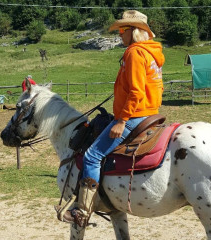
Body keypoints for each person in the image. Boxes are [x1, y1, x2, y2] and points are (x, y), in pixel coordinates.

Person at [61, 10, 165, 227]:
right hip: (150, 112)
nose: (119, 34)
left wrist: (122, 120)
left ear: (133, 32)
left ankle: (81, 211)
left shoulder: (135, 53)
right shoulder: (151, 52)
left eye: (122, 30)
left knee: (91, 156)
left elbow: (136, 92)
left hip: (135, 116)